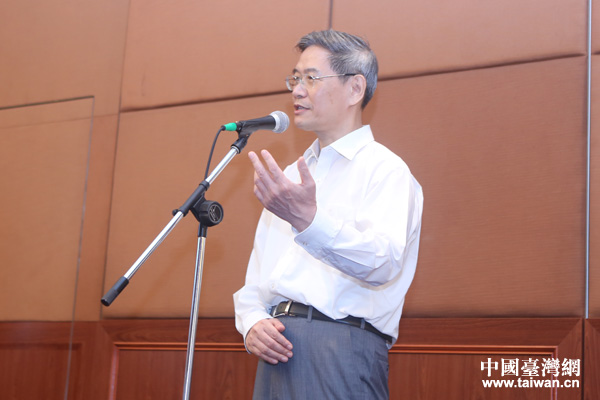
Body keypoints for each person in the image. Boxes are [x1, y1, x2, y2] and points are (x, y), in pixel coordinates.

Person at [233, 29, 423, 399]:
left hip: (341, 347)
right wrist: (252, 321)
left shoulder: (386, 170)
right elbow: (257, 279)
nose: (297, 91)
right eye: (295, 78)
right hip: (276, 350)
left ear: (355, 89)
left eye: (311, 78)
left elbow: (382, 263)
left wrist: (308, 221)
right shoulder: (290, 176)